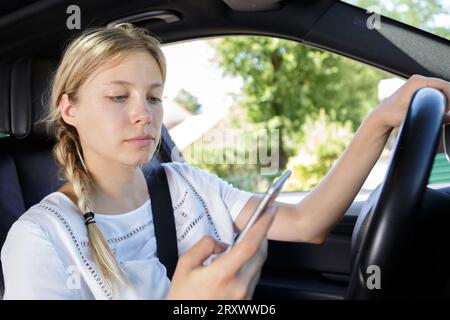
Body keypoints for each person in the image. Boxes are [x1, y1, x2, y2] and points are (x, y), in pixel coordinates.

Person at [1, 23, 449, 300]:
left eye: (154, 97)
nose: (145, 113)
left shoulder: (186, 184)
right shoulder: (40, 240)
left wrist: (378, 121)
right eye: (118, 96)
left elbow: (307, 222)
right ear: (69, 109)